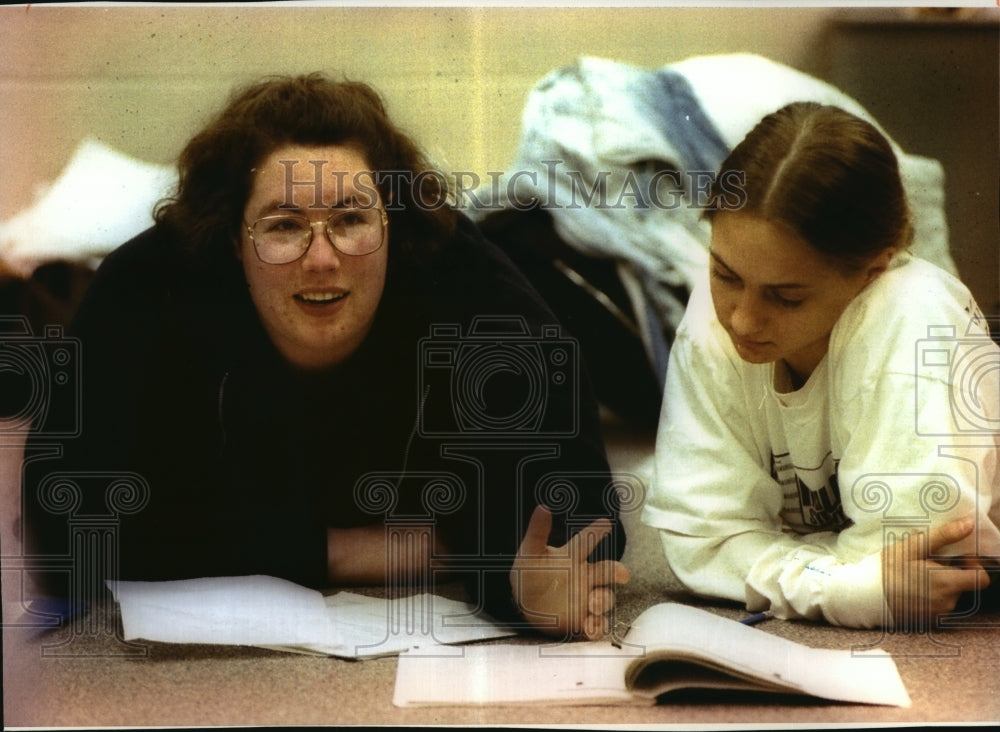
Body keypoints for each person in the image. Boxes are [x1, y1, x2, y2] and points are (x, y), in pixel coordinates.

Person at [23, 72, 628, 640]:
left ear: (394, 225)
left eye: (351, 219)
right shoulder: (147, 290)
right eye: (284, 225)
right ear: (234, 238)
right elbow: (65, 527)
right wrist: (357, 550)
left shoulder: (479, 298)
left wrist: (519, 592)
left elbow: (577, 514)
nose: (321, 259)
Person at [642, 101, 999, 629]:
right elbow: (704, 543)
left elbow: (924, 562)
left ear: (872, 270)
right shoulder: (713, 318)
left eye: (786, 298)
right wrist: (841, 590)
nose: (742, 320)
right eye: (725, 274)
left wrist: (793, 572)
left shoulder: (912, 314)